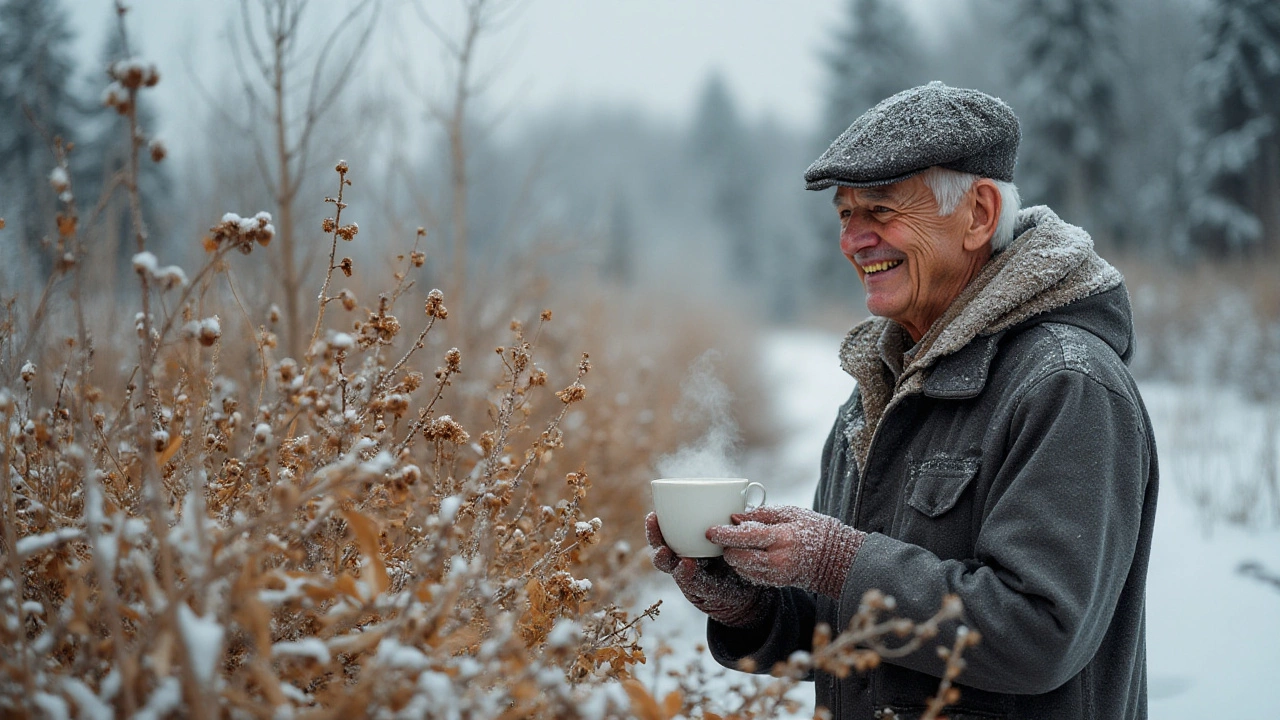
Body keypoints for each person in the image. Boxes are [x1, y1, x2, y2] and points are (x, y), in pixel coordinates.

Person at [646, 82, 1158, 719]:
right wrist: (749, 605)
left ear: (977, 214)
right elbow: (852, 633)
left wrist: (837, 560)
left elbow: (1039, 635)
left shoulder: (1066, 384)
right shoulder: (876, 391)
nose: (853, 241)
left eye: (881, 212)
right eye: (844, 215)